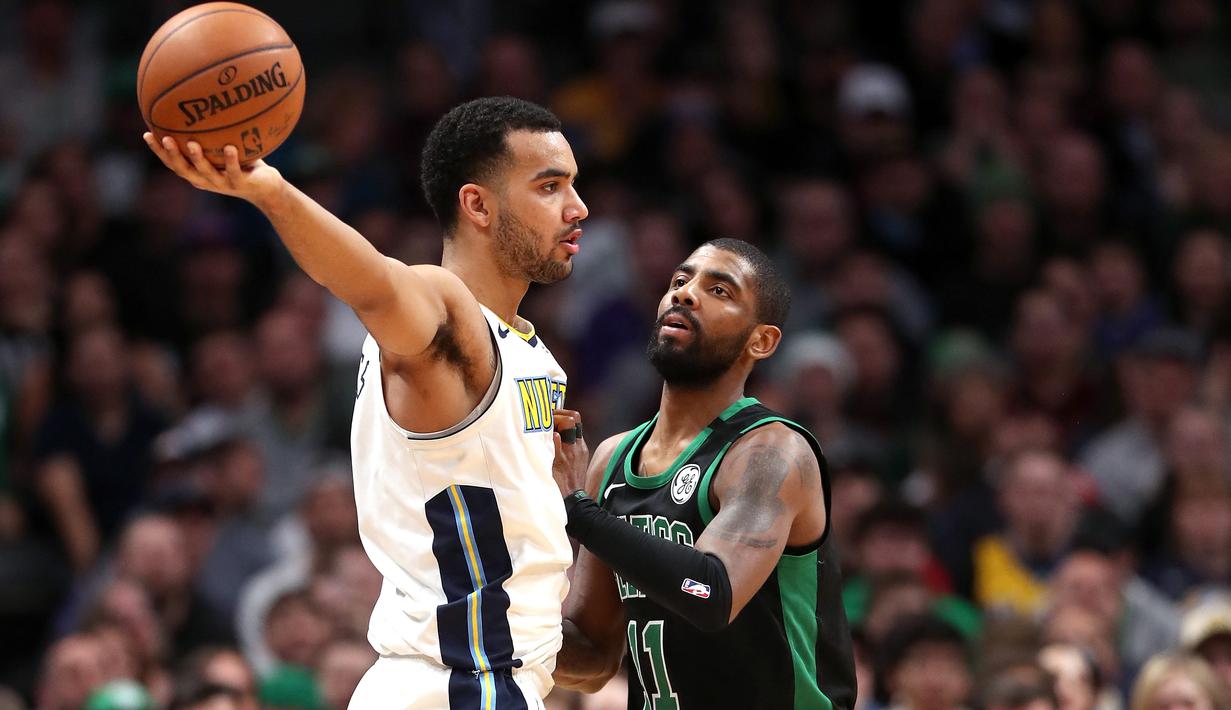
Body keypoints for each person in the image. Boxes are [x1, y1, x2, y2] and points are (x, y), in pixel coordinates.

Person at [144, 95, 588, 707]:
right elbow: (375, 286)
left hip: (480, 677)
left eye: (573, 185)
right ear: (477, 205)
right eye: (549, 187)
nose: (577, 207)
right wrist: (272, 192)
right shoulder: (446, 310)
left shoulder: (528, 354)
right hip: (463, 683)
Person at [548, 239, 856, 708]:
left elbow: (710, 591)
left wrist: (578, 511)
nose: (685, 294)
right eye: (679, 281)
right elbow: (592, 657)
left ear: (762, 340)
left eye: (720, 291)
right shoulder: (612, 459)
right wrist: (497, 630)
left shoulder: (771, 453)